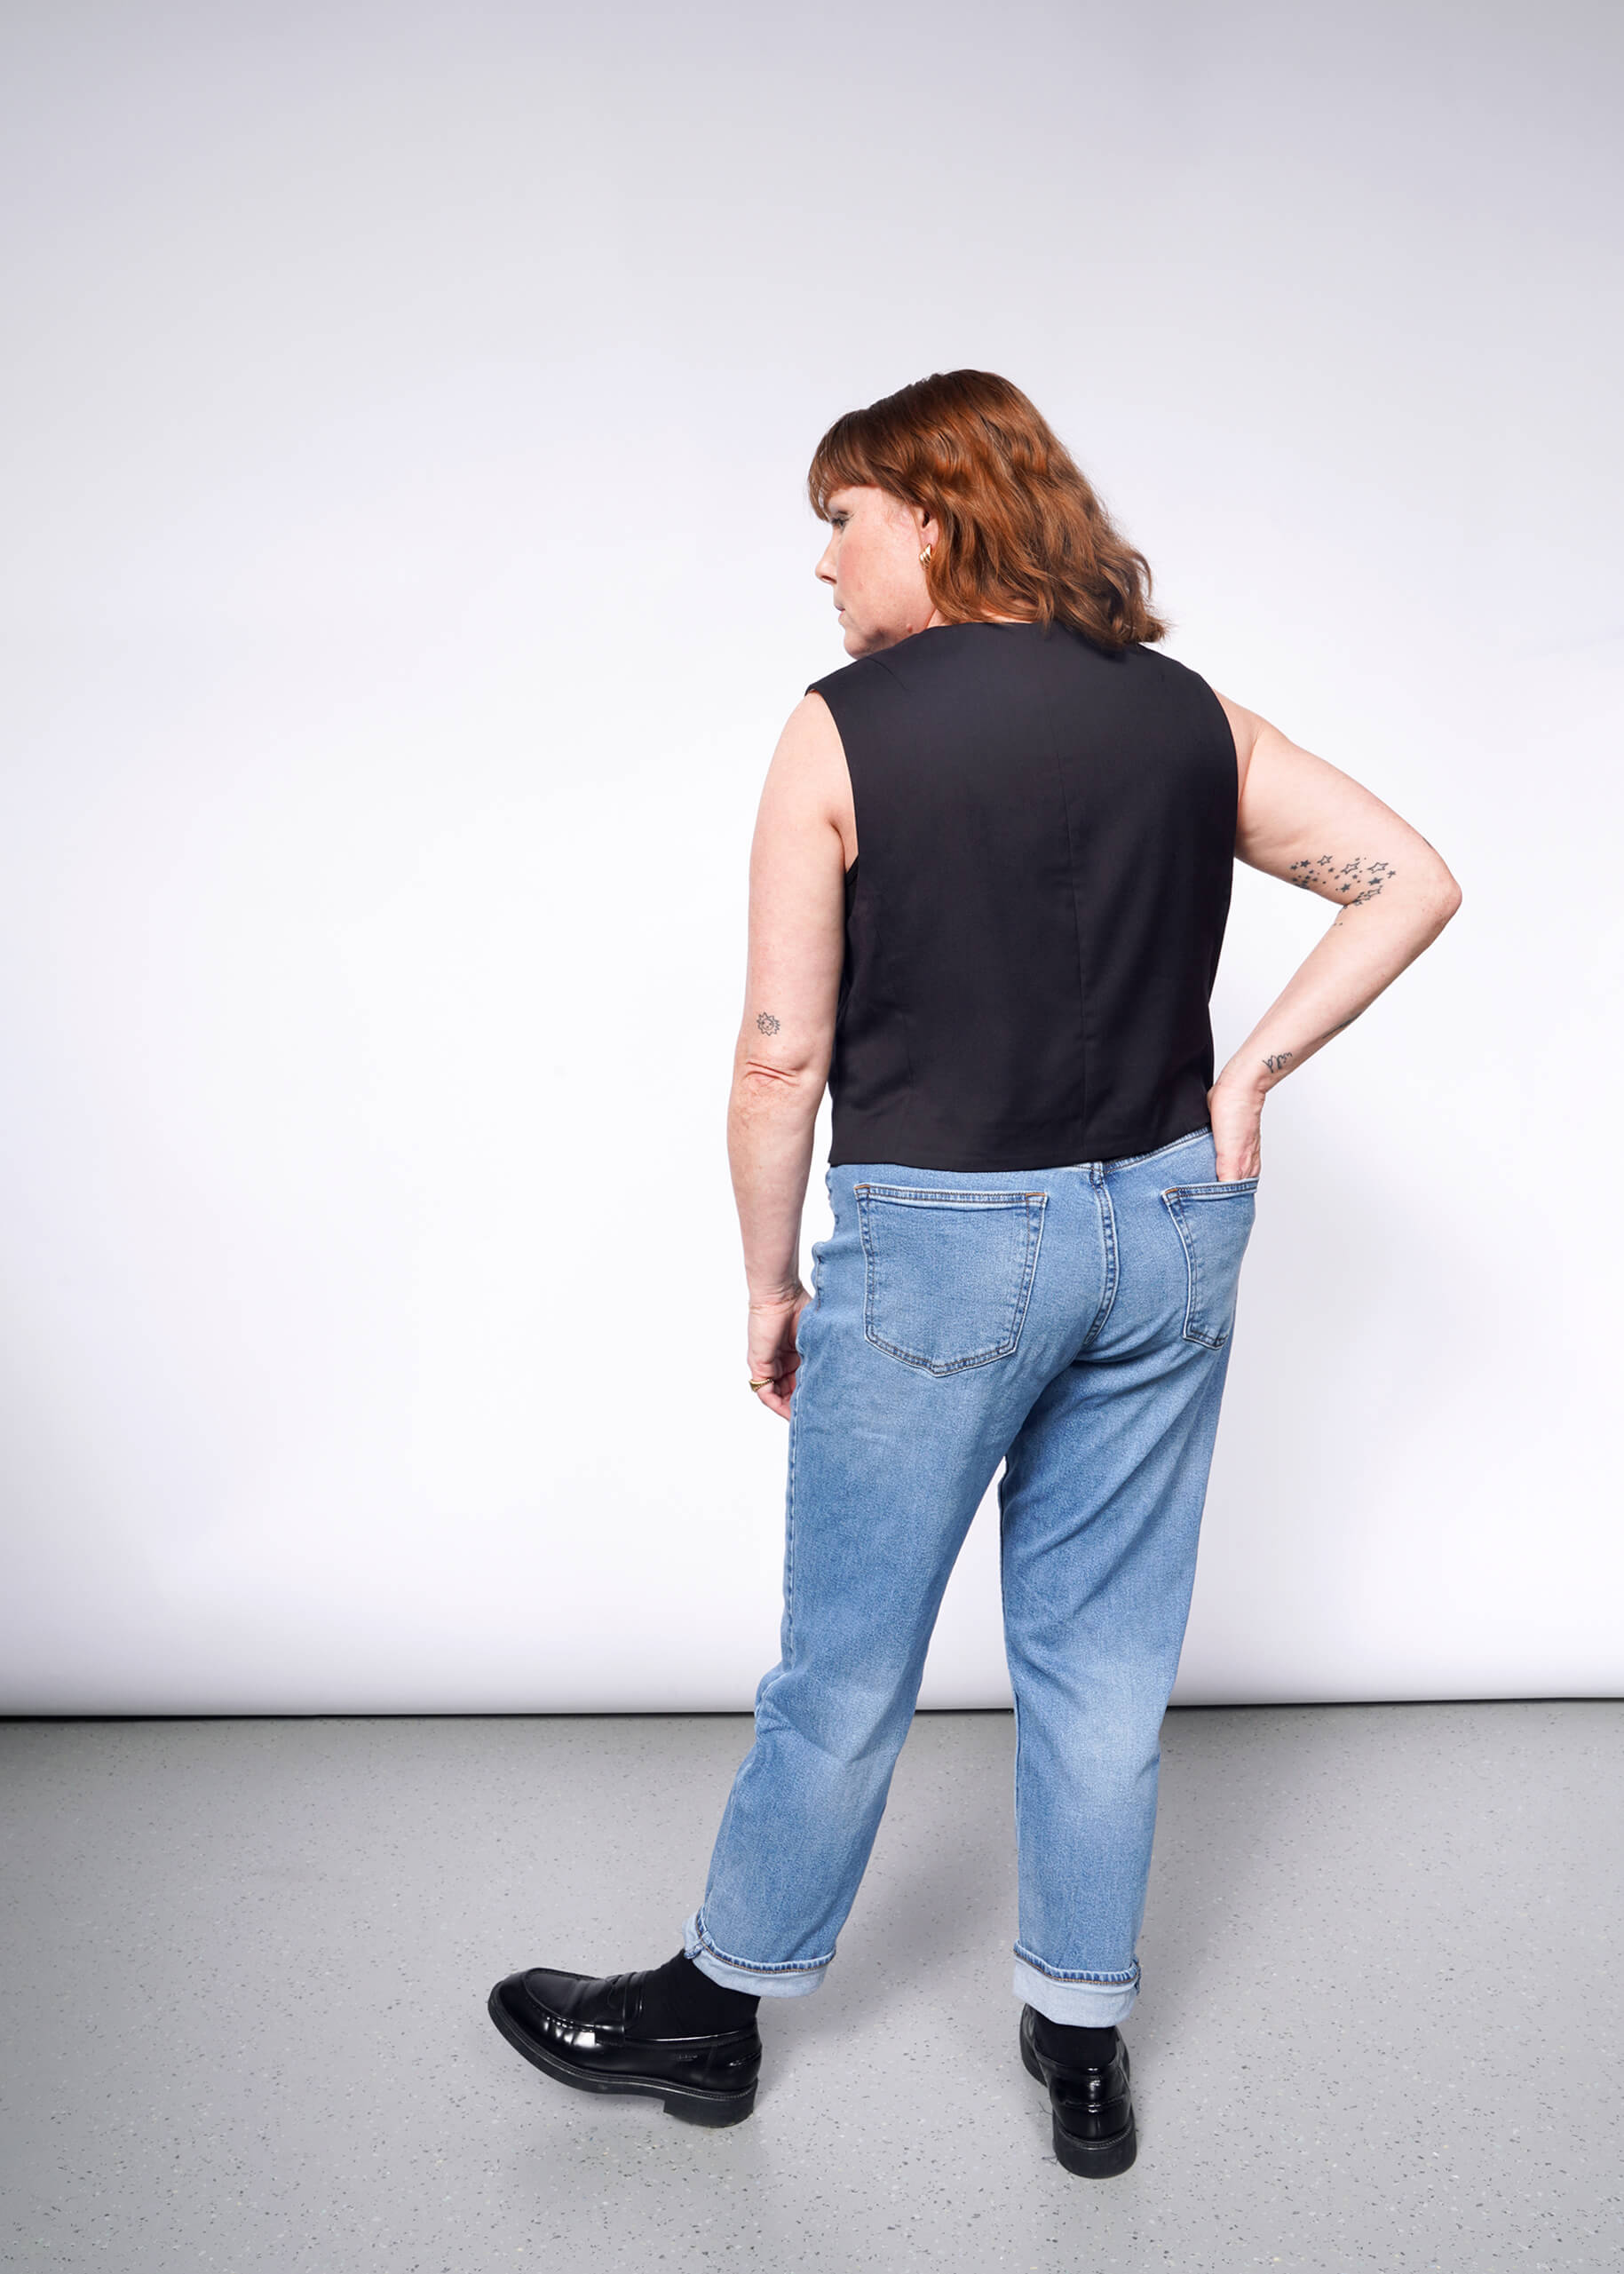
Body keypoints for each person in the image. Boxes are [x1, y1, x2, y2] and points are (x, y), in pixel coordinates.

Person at [487, 370, 1462, 2175]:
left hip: (940, 1249)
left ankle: (717, 2012)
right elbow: (1408, 875)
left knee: (846, 1667)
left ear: (935, 512)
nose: (829, 567)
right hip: (1169, 1228)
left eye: (842, 521)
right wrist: (1246, 1079)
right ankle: (1081, 2034)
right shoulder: (1186, 715)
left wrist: (767, 1279)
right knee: (1102, 1661)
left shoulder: (843, 727)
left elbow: (781, 1053)